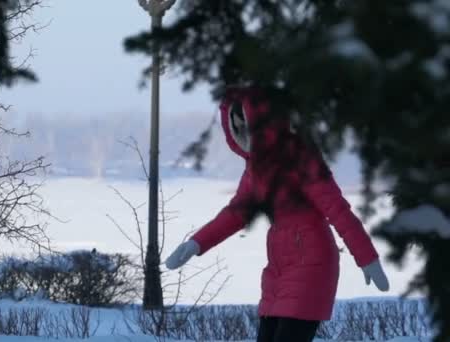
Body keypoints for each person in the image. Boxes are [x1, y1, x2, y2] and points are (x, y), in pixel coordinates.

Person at [165, 86, 390, 342]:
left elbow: (337, 209)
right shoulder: (255, 169)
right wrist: (196, 243)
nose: (243, 134)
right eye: (237, 128)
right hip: (278, 268)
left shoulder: (301, 157)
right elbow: (236, 213)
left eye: (247, 125)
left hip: (312, 265)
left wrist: (367, 258)